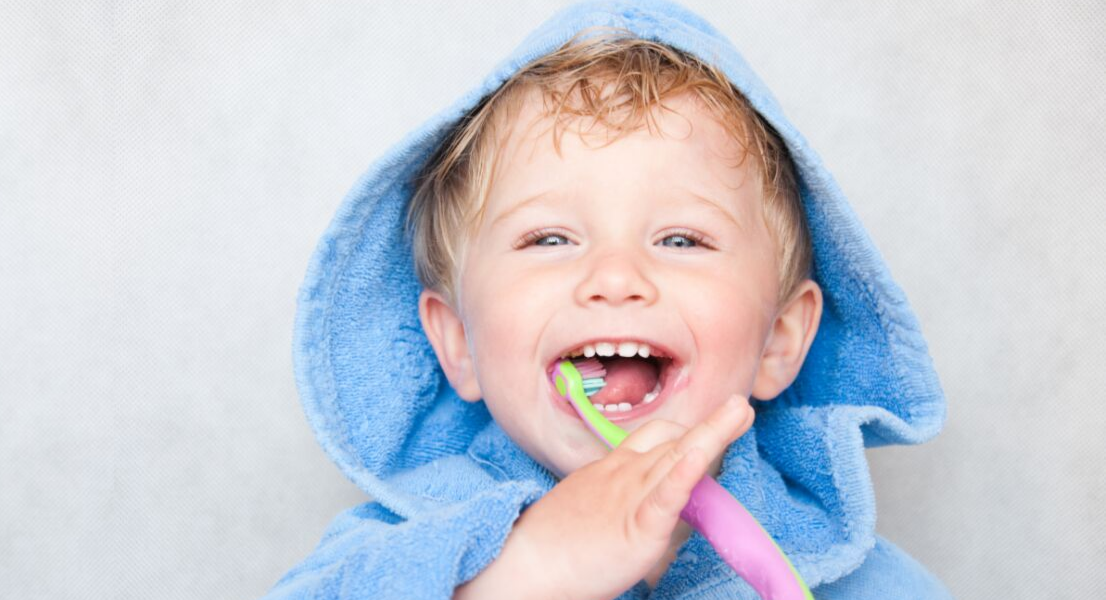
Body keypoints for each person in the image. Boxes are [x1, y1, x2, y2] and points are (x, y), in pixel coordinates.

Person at [264, 1, 949, 598]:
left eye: (681, 240)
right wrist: (524, 570)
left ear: (778, 340)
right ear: (457, 344)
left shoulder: (857, 579)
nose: (615, 277)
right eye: (550, 238)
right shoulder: (387, 555)